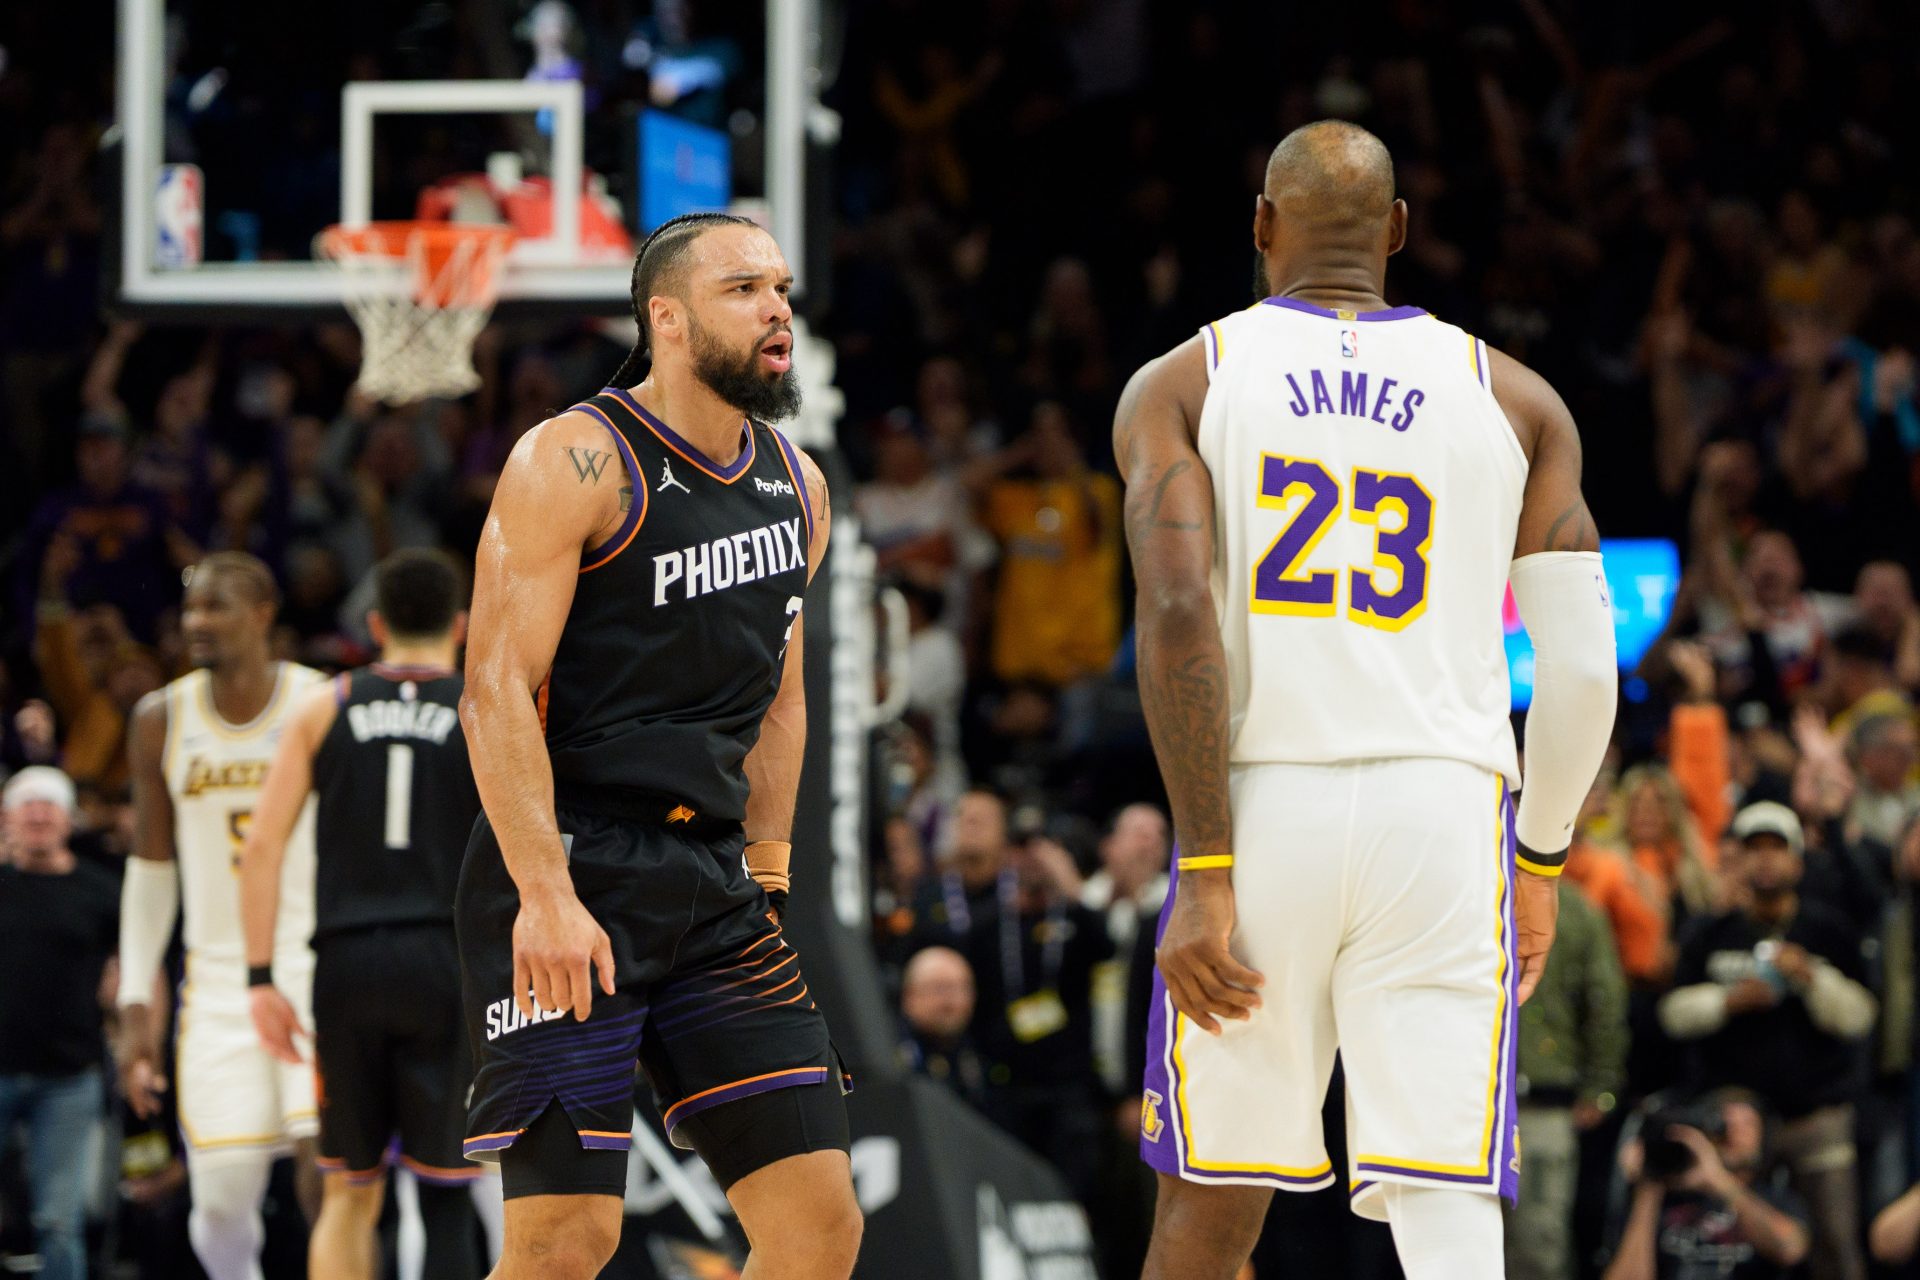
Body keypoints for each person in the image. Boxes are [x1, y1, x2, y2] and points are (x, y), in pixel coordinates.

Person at [1119, 121, 1617, 1280]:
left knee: (1208, 1200)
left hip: (1259, 804)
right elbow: (1584, 672)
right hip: (1443, 813)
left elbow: (1181, 612)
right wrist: (1536, 862)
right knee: (1447, 1195)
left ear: (1260, 224)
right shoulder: (1521, 399)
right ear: (1397, 233)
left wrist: (1204, 866)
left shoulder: (1185, 381)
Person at [455, 211, 860, 1279]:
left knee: (819, 1226)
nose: (777, 307)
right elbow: (493, 687)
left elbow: (781, 697)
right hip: (573, 862)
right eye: (744, 289)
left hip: (712, 884)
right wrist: (543, 889)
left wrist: (768, 868)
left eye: (781, 286)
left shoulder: (798, 484)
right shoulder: (576, 458)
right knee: (563, 1241)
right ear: (666, 319)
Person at [236, 548, 485, 1280]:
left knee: (349, 1187)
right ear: (460, 626)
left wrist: (259, 976)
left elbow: (261, 850)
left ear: (375, 624)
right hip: (447, 963)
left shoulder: (327, 705)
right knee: (445, 1195)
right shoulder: (481, 708)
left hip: (346, 963)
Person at [114, 551, 327, 1279]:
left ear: (264, 614)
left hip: (313, 960)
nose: (196, 623)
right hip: (216, 979)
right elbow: (150, 867)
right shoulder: (159, 718)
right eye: (190, 610)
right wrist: (139, 993)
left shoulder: (321, 702)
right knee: (221, 1202)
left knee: (322, 1161)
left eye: (216, 607)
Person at [1658, 801, 1876, 1280]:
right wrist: (1728, 1002)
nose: (1765, 860)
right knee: (1724, 1246)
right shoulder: (1711, 932)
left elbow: (1861, 1017)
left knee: (1836, 1248)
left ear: (1797, 860)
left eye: (1776, 849)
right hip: (1734, 1117)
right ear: (1736, 859)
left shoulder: (1827, 930)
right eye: (1753, 849)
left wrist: (1812, 977)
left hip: (1815, 1114)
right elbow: (1671, 1014)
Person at [0, 767, 119, 1280]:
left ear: (68, 819)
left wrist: (137, 1045)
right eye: (27, 805)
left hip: (70, 1076)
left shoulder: (101, 889)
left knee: (59, 1219)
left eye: (49, 805)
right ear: (7, 819)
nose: (38, 814)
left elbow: (128, 974)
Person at [1507, 881, 1629, 1280]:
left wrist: (1601, 1087)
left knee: (1538, 1242)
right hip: (1463, 1101)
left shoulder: (1577, 912)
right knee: (1460, 1241)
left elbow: (1605, 1003)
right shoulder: (1455, 894)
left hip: (1541, 1100)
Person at [1602, 1091, 1809, 1280]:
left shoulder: (1775, 1197)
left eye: (1747, 1123)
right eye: (1723, 1123)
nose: (1734, 1132)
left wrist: (1718, 1180)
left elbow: (1790, 1249)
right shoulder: (1667, 1198)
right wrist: (1648, 1188)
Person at [897, 945, 989, 1109]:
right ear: (910, 995)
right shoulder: (890, 1052)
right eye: (941, 989)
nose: (952, 1003)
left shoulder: (974, 1051)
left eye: (962, 989)